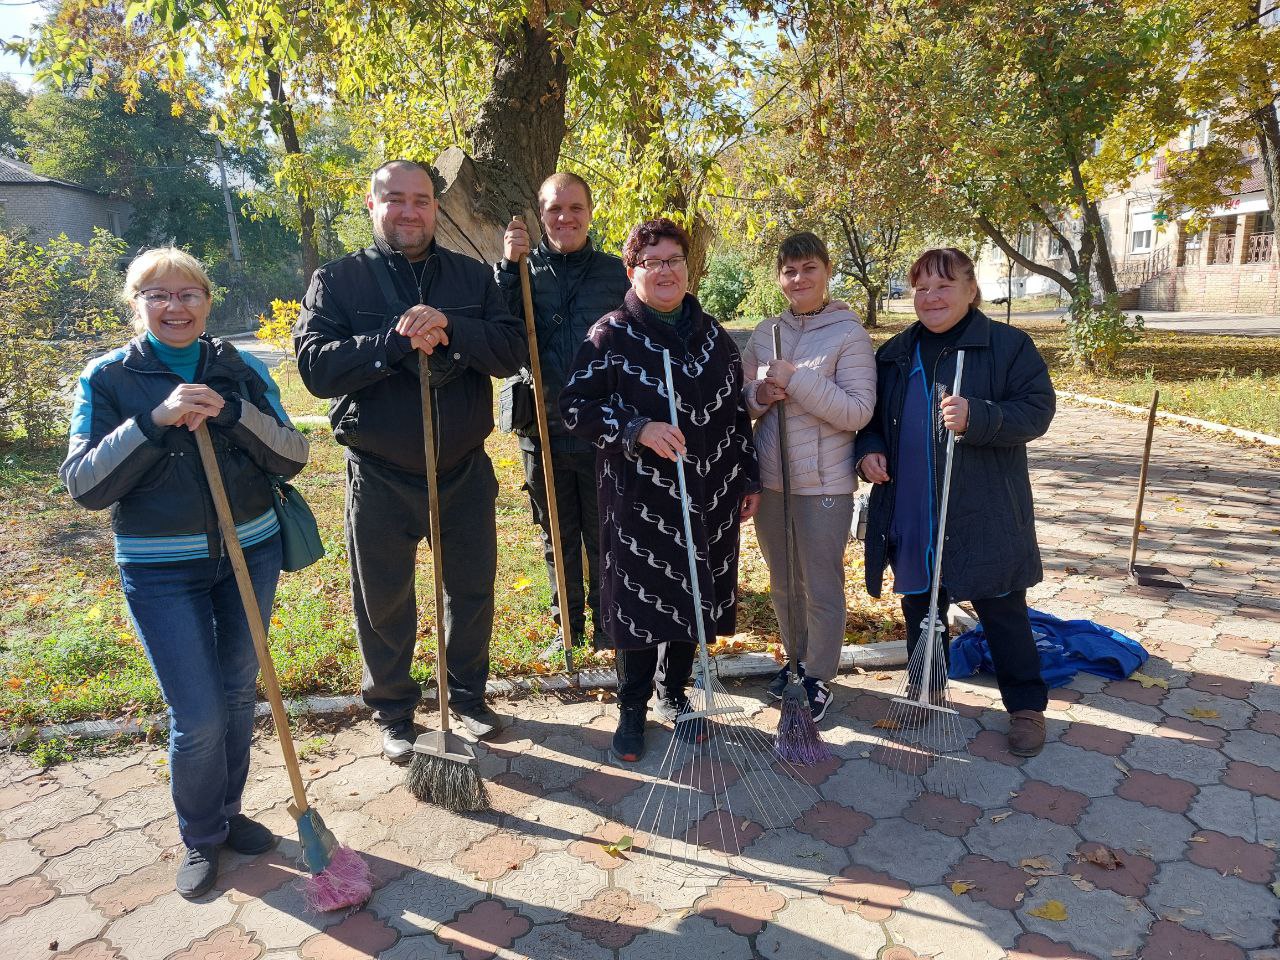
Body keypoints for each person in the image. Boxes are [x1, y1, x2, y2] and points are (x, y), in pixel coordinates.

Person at [61, 248, 310, 898]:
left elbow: (294, 452)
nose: (176, 307)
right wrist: (154, 420)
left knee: (235, 695)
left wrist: (230, 413)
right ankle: (201, 836)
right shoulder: (109, 379)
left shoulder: (240, 367)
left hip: (249, 552)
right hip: (159, 569)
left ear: (207, 301)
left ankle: (228, 816)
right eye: (159, 296)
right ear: (137, 305)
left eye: (188, 294)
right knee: (198, 716)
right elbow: (84, 484)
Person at [294, 160, 526, 761]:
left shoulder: (473, 279)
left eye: (421, 200)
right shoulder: (339, 281)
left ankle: (468, 697)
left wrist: (450, 327)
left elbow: (508, 350)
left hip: (463, 469)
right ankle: (395, 712)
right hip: (380, 473)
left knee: (471, 590)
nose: (409, 211)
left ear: (435, 208)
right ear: (372, 205)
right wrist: (395, 341)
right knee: (384, 596)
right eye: (394, 199)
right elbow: (316, 367)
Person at [560, 218, 760, 763]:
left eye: (674, 260)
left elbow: (736, 415)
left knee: (695, 593)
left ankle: (676, 693)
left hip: (710, 494)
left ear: (689, 269)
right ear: (632, 270)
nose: (665, 270)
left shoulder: (714, 335)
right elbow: (575, 408)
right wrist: (636, 429)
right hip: (638, 502)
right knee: (641, 602)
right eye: (652, 262)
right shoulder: (610, 333)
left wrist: (747, 476)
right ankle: (632, 706)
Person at [854, 247, 1055, 756]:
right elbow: (871, 420)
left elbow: (1036, 412)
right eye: (921, 287)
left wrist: (980, 417)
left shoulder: (1007, 347)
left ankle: (1026, 706)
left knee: (1002, 609)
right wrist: (870, 451)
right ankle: (927, 689)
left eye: (944, 285)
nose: (931, 297)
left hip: (983, 507)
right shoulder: (896, 353)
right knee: (922, 606)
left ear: (971, 290)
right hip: (912, 505)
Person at [742, 232, 876, 722]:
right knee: (783, 581)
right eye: (790, 271)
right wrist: (760, 394)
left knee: (819, 582)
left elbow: (858, 412)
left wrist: (796, 380)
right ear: (779, 278)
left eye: (809, 269)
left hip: (824, 483)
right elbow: (742, 400)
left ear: (826, 271)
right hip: (773, 479)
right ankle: (793, 660)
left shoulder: (848, 333)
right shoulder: (764, 332)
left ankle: (819, 674)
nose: (799, 279)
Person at [496, 172, 629, 652]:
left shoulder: (617, 273)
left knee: (605, 534)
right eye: (554, 208)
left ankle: (609, 627)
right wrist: (509, 266)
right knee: (557, 535)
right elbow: (501, 327)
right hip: (544, 431)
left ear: (590, 213)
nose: (565, 217)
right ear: (540, 216)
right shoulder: (523, 271)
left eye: (575, 207)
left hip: (602, 433)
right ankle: (567, 628)